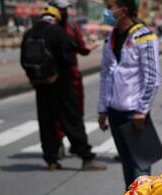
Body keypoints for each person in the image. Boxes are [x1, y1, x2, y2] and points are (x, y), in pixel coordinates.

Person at [22, 5, 106, 172]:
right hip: (61, 85)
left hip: (40, 85)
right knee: (72, 120)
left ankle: (51, 160)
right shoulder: (58, 32)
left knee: (46, 122)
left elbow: (24, 61)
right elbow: (68, 59)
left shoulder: (29, 33)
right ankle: (86, 158)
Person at [97, 0, 160, 195]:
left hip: (135, 111)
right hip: (115, 109)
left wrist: (143, 109)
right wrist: (102, 109)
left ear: (123, 11)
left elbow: (152, 77)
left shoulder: (144, 36)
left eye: (110, 6)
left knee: (140, 162)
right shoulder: (111, 37)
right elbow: (105, 75)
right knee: (125, 158)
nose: (106, 10)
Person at [50, 0, 98, 160]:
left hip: (60, 79)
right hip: (67, 79)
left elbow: (80, 48)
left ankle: (60, 146)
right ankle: (78, 149)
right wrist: (87, 48)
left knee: (59, 115)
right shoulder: (67, 29)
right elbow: (82, 48)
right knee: (72, 115)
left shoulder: (53, 28)